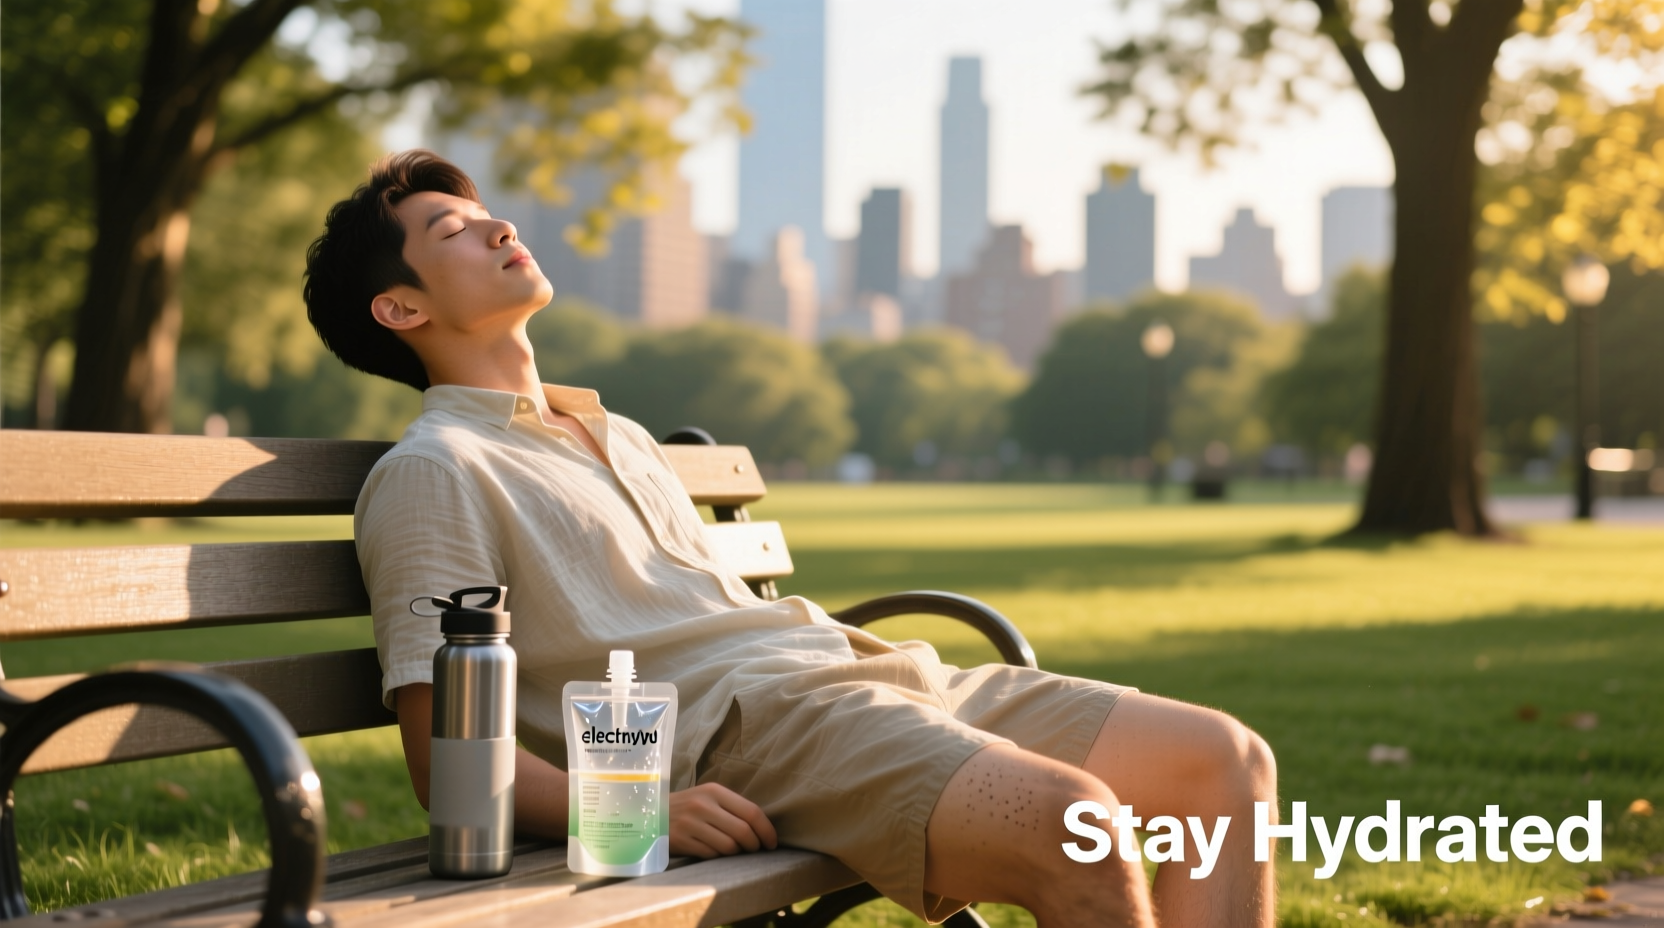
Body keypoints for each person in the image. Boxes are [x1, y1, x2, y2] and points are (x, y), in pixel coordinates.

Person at [304, 150, 1278, 927]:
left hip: (865, 671)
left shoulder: (617, 432)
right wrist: (640, 809)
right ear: (402, 308)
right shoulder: (436, 469)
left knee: (1227, 764)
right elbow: (447, 761)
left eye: (484, 213)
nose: (498, 227)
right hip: (754, 734)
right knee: (1077, 829)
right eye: (452, 230)